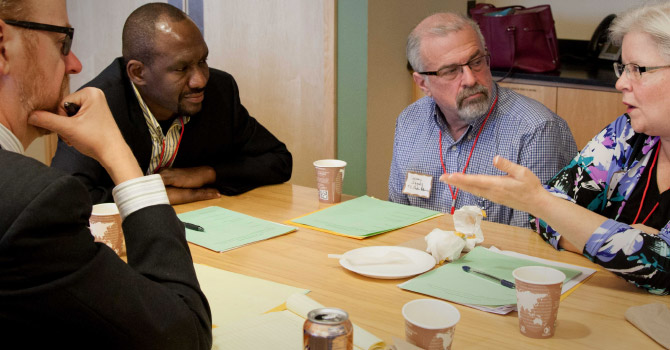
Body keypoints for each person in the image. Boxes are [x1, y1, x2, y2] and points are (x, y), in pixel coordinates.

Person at [0, 0, 212, 347]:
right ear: (2, 46)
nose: (75, 64)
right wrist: (116, 152)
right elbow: (182, 333)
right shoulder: (29, 207)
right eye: (63, 43)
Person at [441, 2, 670, 294]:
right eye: (623, 68)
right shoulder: (626, 134)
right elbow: (546, 214)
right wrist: (625, 239)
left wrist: (553, 210)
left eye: (638, 69)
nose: (621, 83)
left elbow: (663, 269)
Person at [51, 2, 293, 205]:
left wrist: (207, 173)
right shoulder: (96, 106)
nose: (200, 80)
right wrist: (152, 197)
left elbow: (278, 160)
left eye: (203, 61)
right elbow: (66, 200)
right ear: (138, 73)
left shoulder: (219, 90)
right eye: (181, 68)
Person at [389, 12, 577, 228]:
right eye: (451, 71)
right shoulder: (410, 121)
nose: (470, 79)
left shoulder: (536, 130)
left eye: (476, 62)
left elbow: (533, 242)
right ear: (423, 83)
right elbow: (397, 214)